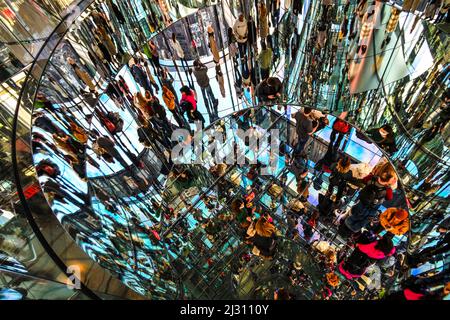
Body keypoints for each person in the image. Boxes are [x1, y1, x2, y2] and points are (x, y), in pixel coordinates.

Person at [340, 162, 397, 236]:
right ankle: (347, 233)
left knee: (352, 219)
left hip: (361, 204)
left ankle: (343, 230)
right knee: (360, 224)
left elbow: (364, 180)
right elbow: (389, 198)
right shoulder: (388, 190)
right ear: (391, 179)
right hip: (372, 210)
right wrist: (389, 185)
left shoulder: (371, 178)